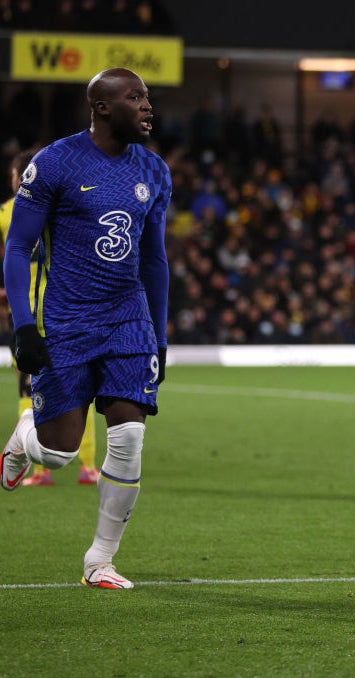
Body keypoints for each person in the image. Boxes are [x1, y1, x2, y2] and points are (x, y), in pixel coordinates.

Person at [1, 67, 171, 590]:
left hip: (128, 318)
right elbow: (17, 247)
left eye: (147, 97)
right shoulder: (54, 162)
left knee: (128, 435)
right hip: (69, 321)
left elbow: (154, 261)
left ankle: (100, 560)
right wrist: (23, 327)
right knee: (58, 451)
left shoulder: (154, 169)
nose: (147, 106)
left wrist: (160, 337)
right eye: (135, 97)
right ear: (102, 107)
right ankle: (21, 440)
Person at [0, 148, 100, 487]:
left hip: (26, 310)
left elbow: (11, 253)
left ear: (19, 176)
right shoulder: (68, 205)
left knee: (28, 388)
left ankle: (37, 467)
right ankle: (88, 466)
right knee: (82, 391)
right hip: (68, 308)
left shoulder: (7, 212)